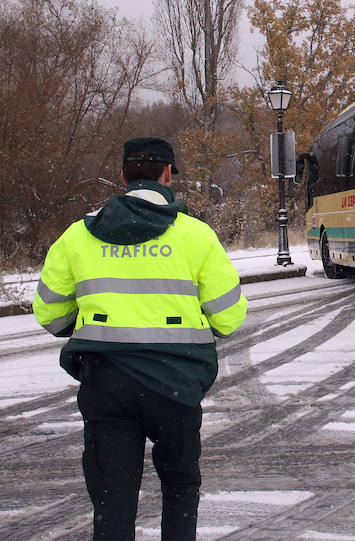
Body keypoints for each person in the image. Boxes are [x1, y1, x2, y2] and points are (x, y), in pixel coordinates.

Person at [32, 136, 248, 540]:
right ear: (168, 175)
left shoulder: (78, 235)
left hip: (106, 383)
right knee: (180, 486)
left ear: (122, 176)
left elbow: (49, 311)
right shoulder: (196, 236)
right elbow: (229, 316)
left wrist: (85, 324)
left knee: (113, 497)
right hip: (176, 384)